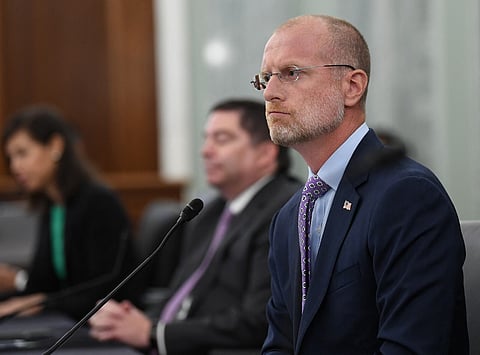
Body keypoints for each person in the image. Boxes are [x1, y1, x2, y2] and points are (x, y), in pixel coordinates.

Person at [253, 15, 469, 354]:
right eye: (265, 78)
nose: (270, 93)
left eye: (292, 73)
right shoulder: (289, 215)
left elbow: (411, 347)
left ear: (352, 87)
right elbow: (279, 345)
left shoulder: (407, 196)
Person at [88, 99, 302, 354]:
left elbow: (259, 318)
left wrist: (155, 333)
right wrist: (131, 320)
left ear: (266, 153)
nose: (206, 151)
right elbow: (184, 293)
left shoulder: (285, 211)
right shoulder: (208, 211)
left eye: (221, 139)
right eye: (206, 139)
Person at [0, 105, 139, 320]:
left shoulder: (99, 203)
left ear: (55, 146)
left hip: (103, 327)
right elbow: (44, 284)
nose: (15, 167)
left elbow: (103, 290)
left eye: (22, 153)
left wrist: (42, 302)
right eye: (10, 158)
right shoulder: (54, 206)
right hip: (70, 320)